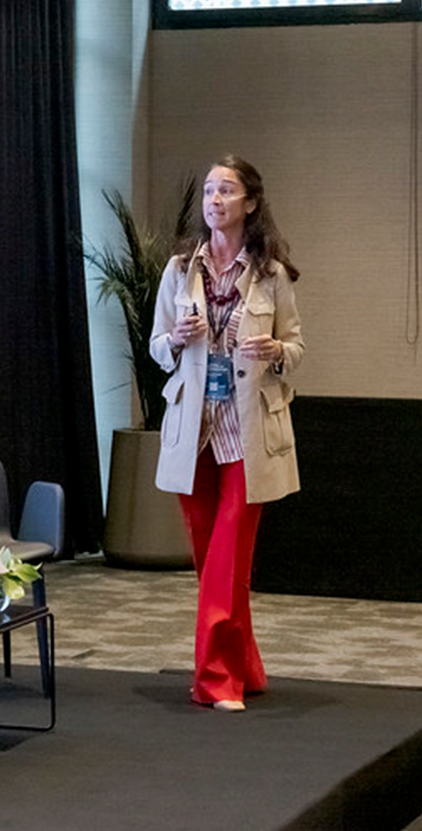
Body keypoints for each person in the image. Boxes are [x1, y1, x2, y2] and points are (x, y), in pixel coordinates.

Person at [149, 155, 303, 712]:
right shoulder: (178, 270)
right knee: (214, 562)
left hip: (247, 429)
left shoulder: (272, 274)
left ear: (251, 203)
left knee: (227, 555)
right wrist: (177, 337)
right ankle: (247, 665)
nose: (214, 200)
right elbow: (157, 348)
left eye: (227, 191)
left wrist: (275, 351)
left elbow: (297, 347)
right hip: (194, 429)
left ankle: (216, 680)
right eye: (209, 191)